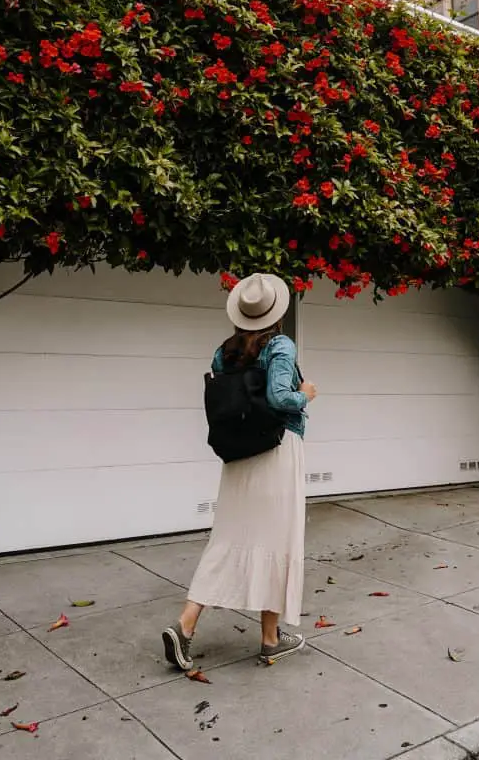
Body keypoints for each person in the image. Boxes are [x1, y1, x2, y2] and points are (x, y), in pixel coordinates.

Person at [162, 272, 317, 668]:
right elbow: (280, 398)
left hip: (238, 457)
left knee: (228, 538)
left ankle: (186, 624)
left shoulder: (224, 352)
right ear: (276, 314)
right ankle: (268, 639)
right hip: (278, 452)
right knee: (278, 539)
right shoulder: (280, 345)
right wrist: (307, 395)